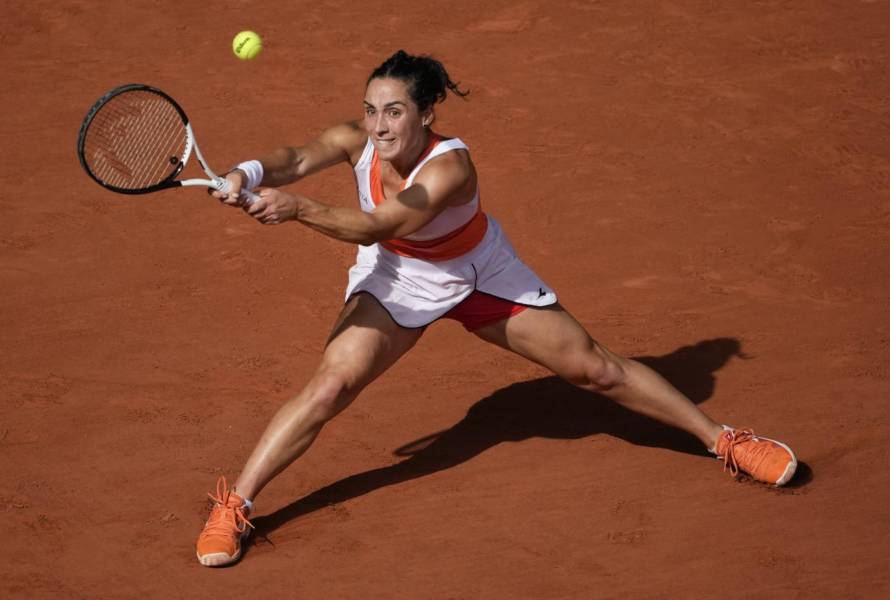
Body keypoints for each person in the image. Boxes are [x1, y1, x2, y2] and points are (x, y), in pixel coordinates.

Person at [195, 50, 798, 567]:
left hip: (478, 273)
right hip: (398, 279)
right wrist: (245, 172)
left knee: (595, 368)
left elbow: (379, 224)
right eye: (371, 109)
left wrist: (297, 209)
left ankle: (723, 440)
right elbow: (296, 158)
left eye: (394, 111)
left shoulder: (450, 166)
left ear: (426, 115)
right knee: (331, 385)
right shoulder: (358, 139)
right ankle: (236, 505)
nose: (378, 125)